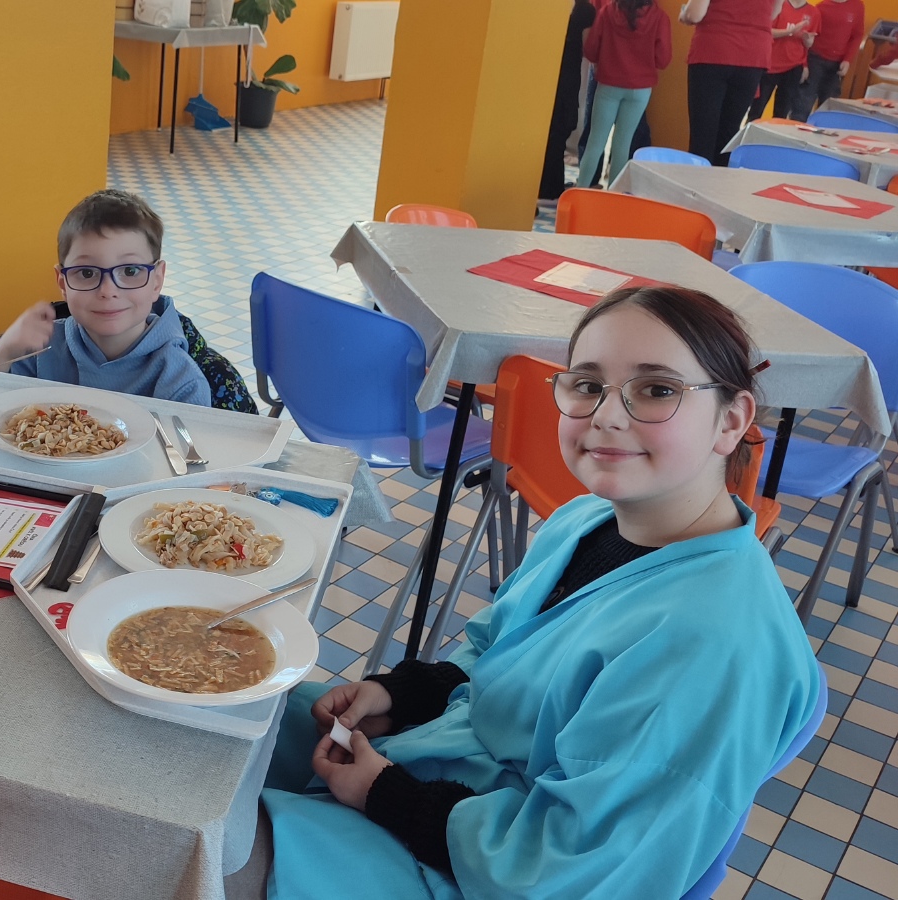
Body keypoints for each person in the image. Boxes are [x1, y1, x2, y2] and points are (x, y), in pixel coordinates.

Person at [250, 286, 821, 898]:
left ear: (730, 421)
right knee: (231, 717)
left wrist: (385, 795)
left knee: (217, 844)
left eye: (657, 389)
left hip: (489, 863)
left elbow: (572, 870)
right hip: (447, 764)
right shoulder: (586, 519)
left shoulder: (712, 646)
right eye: (588, 384)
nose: (607, 415)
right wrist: (402, 697)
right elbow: (495, 653)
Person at [0, 189, 212, 406]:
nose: (107, 290)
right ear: (63, 282)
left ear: (157, 280)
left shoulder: (181, 383)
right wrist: (4, 351)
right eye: (87, 273)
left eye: (130, 271)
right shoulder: (39, 350)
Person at [576, 0, 672, 188]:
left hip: (608, 85)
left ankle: (580, 191)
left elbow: (591, 50)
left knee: (595, 142)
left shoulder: (607, 12)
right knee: (623, 144)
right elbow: (663, 59)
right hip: (640, 89)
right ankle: (614, 195)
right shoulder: (660, 17)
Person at [682, 0, 786, 164]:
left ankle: (696, 178)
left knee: (703, 135)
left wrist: (685, 14)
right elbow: (773, 12)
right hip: (753, 54)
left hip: (714, 50)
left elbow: (695, 14)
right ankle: (721, 178)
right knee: (729, 134)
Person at [539, 0, 598, 207]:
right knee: (560, 129)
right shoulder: (585, 10)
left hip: (543, 72)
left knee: (548, 129)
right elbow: (589, 48)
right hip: (568, 76)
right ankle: (550, 189)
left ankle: (544, 184)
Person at [750, 0, 820, 122]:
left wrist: (806, 40)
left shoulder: (814, 12)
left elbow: (809, 44)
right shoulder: (779, 4)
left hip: (793, 66)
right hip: (770, 64)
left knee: (782, 112)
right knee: (757, 109)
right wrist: (789, 32)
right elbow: (768, 31)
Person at [806, 0, 866, 110]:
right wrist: (804, 65)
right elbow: (810, 36)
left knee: (829, 105)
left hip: (837, 64)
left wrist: (847, 60)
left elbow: (857, 35)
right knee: (804, 102)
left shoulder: (857, 5)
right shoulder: (821, 7)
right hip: (815, 59)